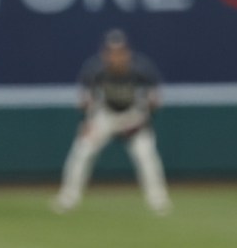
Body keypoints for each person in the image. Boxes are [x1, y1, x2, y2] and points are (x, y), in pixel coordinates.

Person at [54, 29, 171, 215]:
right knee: (82, 151)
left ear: (127, 52)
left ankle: (158, 200)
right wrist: (87, 121)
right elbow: (85, 100)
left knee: (147, 156)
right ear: (105, 53)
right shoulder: (94, 70)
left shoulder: (142, 69)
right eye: (112, 52)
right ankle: (68, 197)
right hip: (106, 116)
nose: (116, 57)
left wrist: (145, 117)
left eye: (120, 52)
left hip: (133, 117)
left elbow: (154, 100)